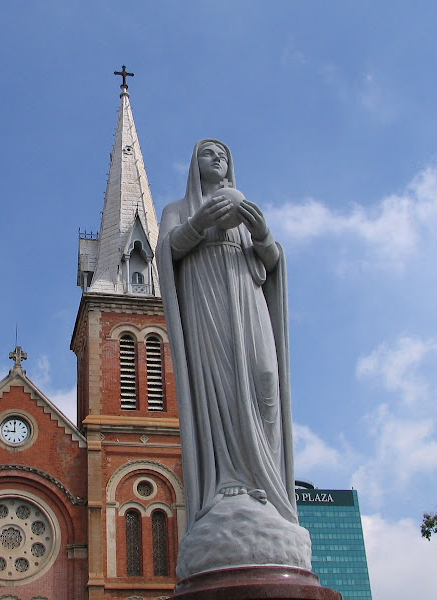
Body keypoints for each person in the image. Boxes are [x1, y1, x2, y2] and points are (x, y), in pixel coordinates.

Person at [157, 139, 298, 531]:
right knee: (222, 388)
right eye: (208, 152)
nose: (217, 158)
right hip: (209, 305)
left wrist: (262, 233)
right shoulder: (179, 210)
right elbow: (166, 252)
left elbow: (272, 264)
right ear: (193, 165)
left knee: (265, 378)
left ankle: (266, 483)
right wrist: (199, 223)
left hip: (248, 300)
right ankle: (230, 481)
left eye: (223, 154)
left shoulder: (246, 209)